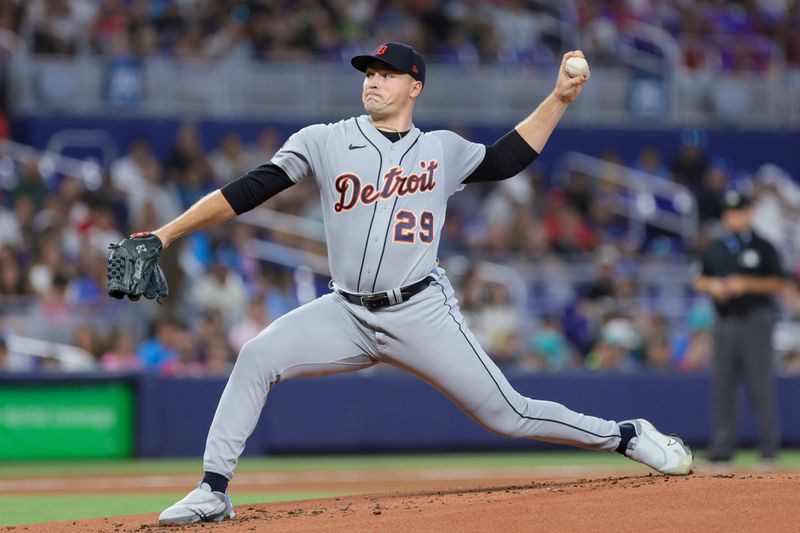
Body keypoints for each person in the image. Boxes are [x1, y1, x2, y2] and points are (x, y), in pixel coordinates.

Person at [151, 42, 693, 525]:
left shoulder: (442, 150)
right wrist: (166, 233)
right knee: (256, 356)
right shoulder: (324, 140)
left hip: (420, 312)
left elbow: (507, 159)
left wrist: (559, 99)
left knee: (509, 415)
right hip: (345, 312)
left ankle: (625, 434)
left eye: (386, 73)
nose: (373, 79)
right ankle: (213, 490)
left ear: (415, 87)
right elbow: (250, 189)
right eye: (368, 71)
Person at [693, 191, 785, 465]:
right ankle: (722, 450)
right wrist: (713, 286)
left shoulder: (764, 246)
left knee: (761, 386)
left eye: (738, 211)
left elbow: (778, 282)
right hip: (724, 322)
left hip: (755, 321)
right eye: (729, 212)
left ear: (749, 213)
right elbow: (699, 278)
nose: (732, 217)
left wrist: (745, 283)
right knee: (723, 387)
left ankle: (769, 450)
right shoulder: (717, 247)